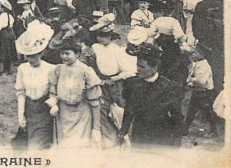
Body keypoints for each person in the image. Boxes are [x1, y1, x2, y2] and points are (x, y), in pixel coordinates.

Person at [120, 44, 184, 147]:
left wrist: (176, 141)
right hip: (139, 133)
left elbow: (176, 115)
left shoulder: (169, 87)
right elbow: (129, 110)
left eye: (142, 66)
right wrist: (123, 132)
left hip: (161, 134)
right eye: (137, 65)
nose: (138, 69)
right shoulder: (132, 84)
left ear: (154, 68)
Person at [87, 15, 136, 148]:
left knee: (118, 112)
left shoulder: (117, 51)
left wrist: (113, 79)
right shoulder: (96, 48)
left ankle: (125, 140)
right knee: (102, 112)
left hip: (116, 85)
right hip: (101, 84)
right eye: (98, 35)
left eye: (102, 35)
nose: (99, 38)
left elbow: (129, 71)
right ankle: (109, 141)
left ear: (110, 36)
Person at [46, 38, 102, 148]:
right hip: (63, 114)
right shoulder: (58, 70)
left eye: (67, 54)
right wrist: (53, 104)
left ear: (77, 54)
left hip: (82, 114)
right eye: (62, 54)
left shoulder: (86, 71)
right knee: (64, 147)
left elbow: (95, 102)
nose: (64, 57)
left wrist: (96, 128)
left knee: (79, 147)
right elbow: (53, 91)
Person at [14, 21, 55, 149]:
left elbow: (55, 92)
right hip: (29, 109)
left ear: (41, 54)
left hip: (45, 111)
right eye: (28, 56)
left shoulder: (51, 69)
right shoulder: (22, 68)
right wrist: (20, 114)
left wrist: (53, 102)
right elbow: (21, 93)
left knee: (38, 145)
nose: (30, 60)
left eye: (33, 56)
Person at [183, 43, 218, 136]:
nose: (192, 55)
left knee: (207, 111)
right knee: (191, 111)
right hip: (196, 91)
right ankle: (185, 129)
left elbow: (201, 81)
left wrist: (191, 80)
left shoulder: (205, 66)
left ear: (201, 55)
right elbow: (191, 76)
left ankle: (214, 130)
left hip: (204, 92)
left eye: (195, 53)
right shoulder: (196, 64)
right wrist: (190, 79)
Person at [0, 0, 16, 76]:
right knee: (9, 51)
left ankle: (5, 70)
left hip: (4, 34)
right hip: (10, 33)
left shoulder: (1, 17)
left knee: (4, 51)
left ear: (3, 8)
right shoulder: (10, 16)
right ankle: (8, 68)